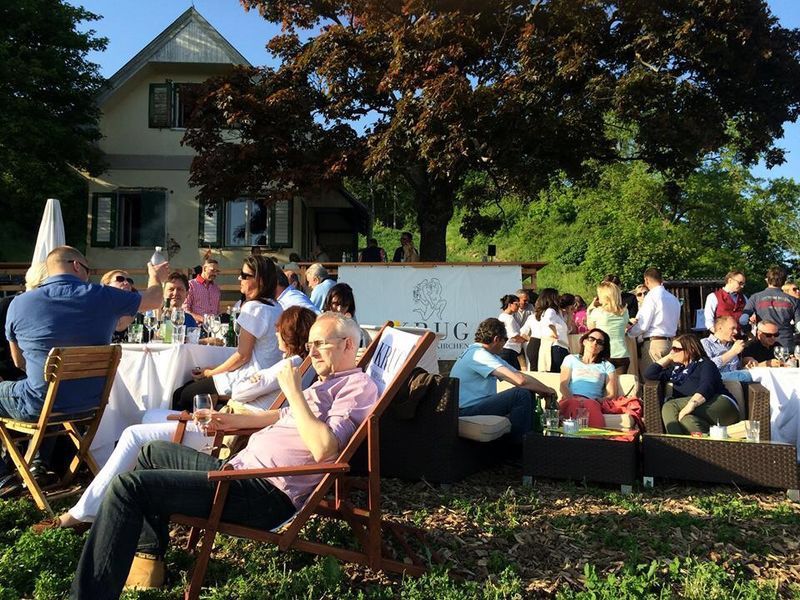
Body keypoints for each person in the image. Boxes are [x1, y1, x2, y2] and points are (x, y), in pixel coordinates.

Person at [70, 313, 377, 597]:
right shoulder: (326, 384)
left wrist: (294, 391)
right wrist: (228, 421)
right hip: (238, 471)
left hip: (262, 492)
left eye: (320, 344)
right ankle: (149, 560)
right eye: (309, 345)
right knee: (151, 451)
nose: (312, 352)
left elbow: (326, 451)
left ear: (348, 344)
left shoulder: (356, 386)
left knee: (128, 488)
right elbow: (279, 418)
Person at [33, 307, 319, 535]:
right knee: (149, 416)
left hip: (229, 429)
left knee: (135, 433)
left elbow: (241, 389)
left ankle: (83, 513)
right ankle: (107, 494)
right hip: (232, 420)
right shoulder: (304, 368)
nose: (275, 333)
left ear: (289, 333)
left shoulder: (289, 366)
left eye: (280, 329)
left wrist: (244, 381)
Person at [1, 246, 167, 422]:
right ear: (76, 266)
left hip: (38, 404)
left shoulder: (18, 303)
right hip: (89, 405)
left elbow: (19, 362)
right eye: (88, 270)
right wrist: (155, 276)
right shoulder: (105, 296)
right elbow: (155, 299)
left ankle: (25, 449)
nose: (88, 277)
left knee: (39, 392)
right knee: (51, 402)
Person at [172, 256, 283, 411]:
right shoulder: (277, 307)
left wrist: (210, 372)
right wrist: (214, 369)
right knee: (197, 389)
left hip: (251, 380)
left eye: (245, 276)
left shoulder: (254, 308)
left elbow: (243, 356)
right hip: (265, 379)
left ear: (261, 280)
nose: (240, 278)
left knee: (181, 395)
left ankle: (200, 429)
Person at [451, 318, 554, 441]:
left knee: (527, 391)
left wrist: (545, 391)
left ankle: (530, 442)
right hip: (465, 410)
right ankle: (516, 450)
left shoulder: (487, 354)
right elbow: (519, 381)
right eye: (505, 339)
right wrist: (549, 392)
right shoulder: (479, 355)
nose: (505, 344)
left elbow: (521, 376)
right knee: (520, 394)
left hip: (476, 405)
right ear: (496, 339)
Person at [645, 333, 739, 435]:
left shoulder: (706, 364)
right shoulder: (676, 370)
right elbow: (650, 373)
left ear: (691, 350)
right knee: (687, 421)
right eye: (671, 348)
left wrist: (690, 405)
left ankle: (672, 446)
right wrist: (668, 357)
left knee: (669, 406)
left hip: (722, 405)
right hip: (699, 411)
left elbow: (707, 386)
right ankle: (705, 446)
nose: (672, 352)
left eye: (676, 349)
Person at [627, 268, 681, 381]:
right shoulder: (673, 298)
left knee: (652, 383)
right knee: (667, 381)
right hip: (670, 343)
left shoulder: (651, 297)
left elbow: (642, 324)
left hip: (654, 344)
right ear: (661, 279)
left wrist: (629, 333)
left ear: (646, 280)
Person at [558, 329, 618, 428]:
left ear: (602, 348)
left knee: (591, 405)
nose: (595, 343)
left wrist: (598, 401)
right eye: (592, 339)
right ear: (584, 341)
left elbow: (611, 394)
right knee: (573, 404)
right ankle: (569, 439)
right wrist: (574, 399)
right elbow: (563, 385)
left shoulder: (607, 366)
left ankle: (594, 440)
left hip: (592, 401)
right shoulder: (571, 359)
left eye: (600, 342)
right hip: (570, 398)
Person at [740, 265, 800, 350]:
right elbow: (799, 325)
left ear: (767, 280)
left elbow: (743, 320)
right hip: (785, 345)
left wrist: (750, 334)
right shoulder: (794, 300)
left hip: (763, 344)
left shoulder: (755, 297)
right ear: (784, 282)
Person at [587, 281, 631, 375]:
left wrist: (589, 309)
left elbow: (591, 329)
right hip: (622, 354)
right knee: (620, 387)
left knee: (602, 387)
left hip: (604, 354)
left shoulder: (597, 312)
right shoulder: (625, 312)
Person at [321, 282, 371, 347]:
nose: (339, 309)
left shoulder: (351, 323)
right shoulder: (320, 322)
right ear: (329, 302)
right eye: (335, 304)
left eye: (344, 306)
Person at [700, 315, 748, 380]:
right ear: (720, 328)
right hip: (719, 382)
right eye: (732, 328)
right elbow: (706, 367)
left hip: (738, 379)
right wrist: (733, 352)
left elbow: (736, 368)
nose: (736, 332)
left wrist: (746, 366)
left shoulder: (731, 345)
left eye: (736, 329)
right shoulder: (705, 343)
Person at [535, 288, 570, 372]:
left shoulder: (552, 312)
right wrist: (554, 333)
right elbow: (549, 322)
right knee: (558, 372)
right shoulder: (551, 311)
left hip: (557, 345)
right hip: (557, 345)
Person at [101, 269, 137, 341]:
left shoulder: (139, 319)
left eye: (129, 281)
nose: (126, 283)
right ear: (106, 285)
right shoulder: (97, 316)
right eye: (120, 279)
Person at [183, 258, 221, 324]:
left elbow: (217, 311)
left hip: (214, 327)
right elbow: (185, 310)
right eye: (212, 270)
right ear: (204, 269)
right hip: (197, 327)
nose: (215, 274)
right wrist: (203, 319)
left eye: (216, 271)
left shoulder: (216, 288)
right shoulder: (191, 285)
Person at [497, 294, 525, 369]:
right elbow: (514, 336)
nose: (518, 307)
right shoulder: (509, 318)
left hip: (506, 349)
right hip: (509, 350)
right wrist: (526, 340)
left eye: (519, 304)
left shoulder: (502, 316)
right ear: (510, 304)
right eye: (516, 304)